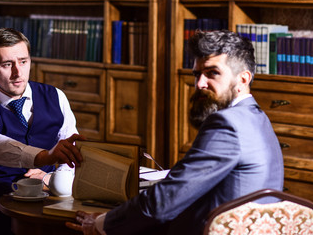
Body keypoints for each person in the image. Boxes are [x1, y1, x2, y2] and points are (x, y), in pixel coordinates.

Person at [66, 29, 284, 235]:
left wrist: (102, 223)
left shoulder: (227, 123)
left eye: (212, 73)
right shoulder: (257, 118)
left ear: (243, 79)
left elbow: (164, 202)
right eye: (197, 74)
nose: (200, 84)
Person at [0, 28, 84, 234]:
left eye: (23, 61)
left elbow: (71, 153)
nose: (18, 73)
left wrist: (50, 179)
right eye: (7, 65)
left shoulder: (56, 96)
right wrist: (44, 157)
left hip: (50, 192)